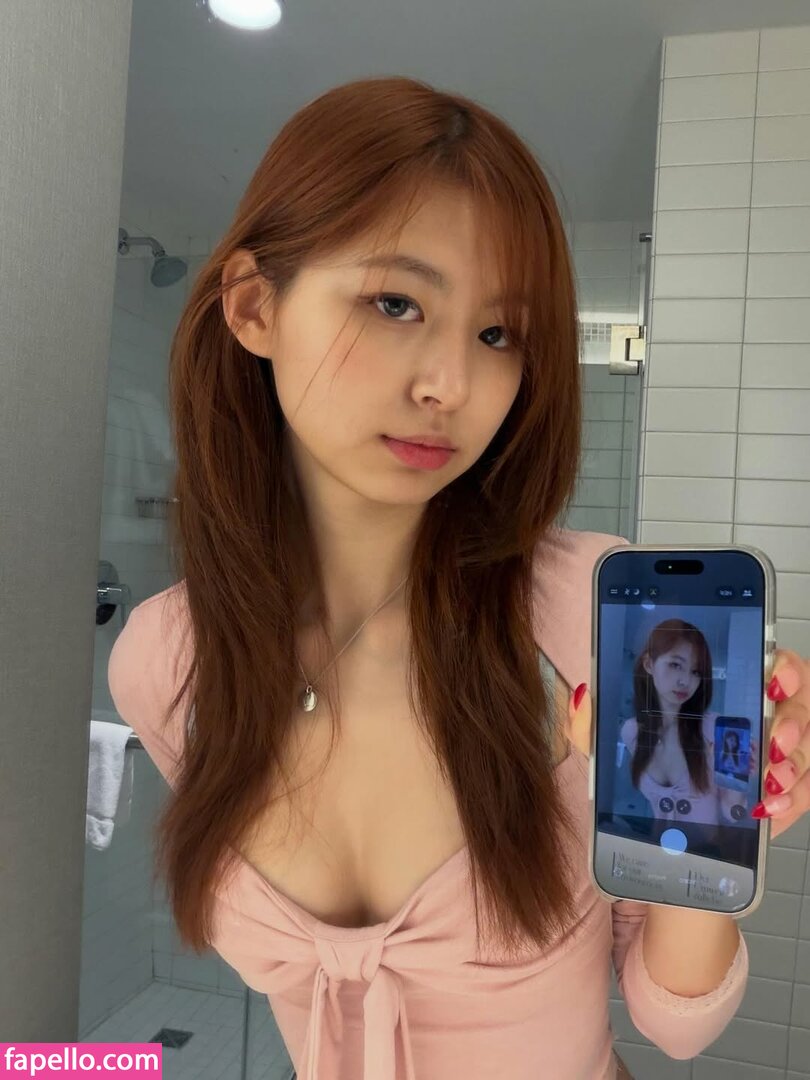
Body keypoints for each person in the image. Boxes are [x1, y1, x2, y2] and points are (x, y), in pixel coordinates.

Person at [108, 75, 751, 1080]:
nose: (450, 384)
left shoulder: (596, 616)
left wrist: (716, 833)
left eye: (498, 333)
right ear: (254, 306)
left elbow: (677, 1026)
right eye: (396, 302)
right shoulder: (165, 660)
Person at [619, 620, 757, 827]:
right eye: (675, 665)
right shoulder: (631, 732)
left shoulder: (716, 730)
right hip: (655, 844)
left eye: (695, 672)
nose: (685, 681)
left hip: (704, 846)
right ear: (649, 664)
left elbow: (732, 813)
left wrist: (737, 779)